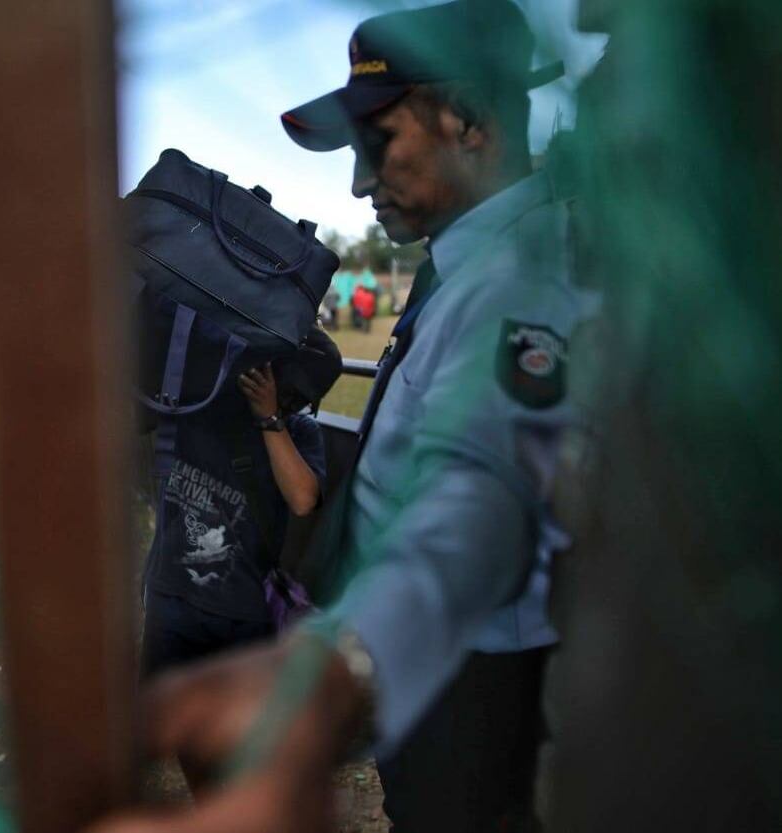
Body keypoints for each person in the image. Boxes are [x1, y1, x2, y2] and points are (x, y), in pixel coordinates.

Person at [94, 2, 590, 831]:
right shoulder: (465, 266)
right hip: (433, 676)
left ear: (468, 119)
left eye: (378, 145)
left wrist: (341, 672)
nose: (360, 182)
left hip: (465, 686)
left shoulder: (521, 281)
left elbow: (485, 499)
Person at [140, 329, 341, 687]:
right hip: (171, 596)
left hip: (240, 610)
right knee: (156, 715)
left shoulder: (298, 432)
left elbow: (303, 499)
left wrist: (270, 419)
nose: (293, 403)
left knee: (224, 733)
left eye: (299, 399)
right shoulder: (203, 403)